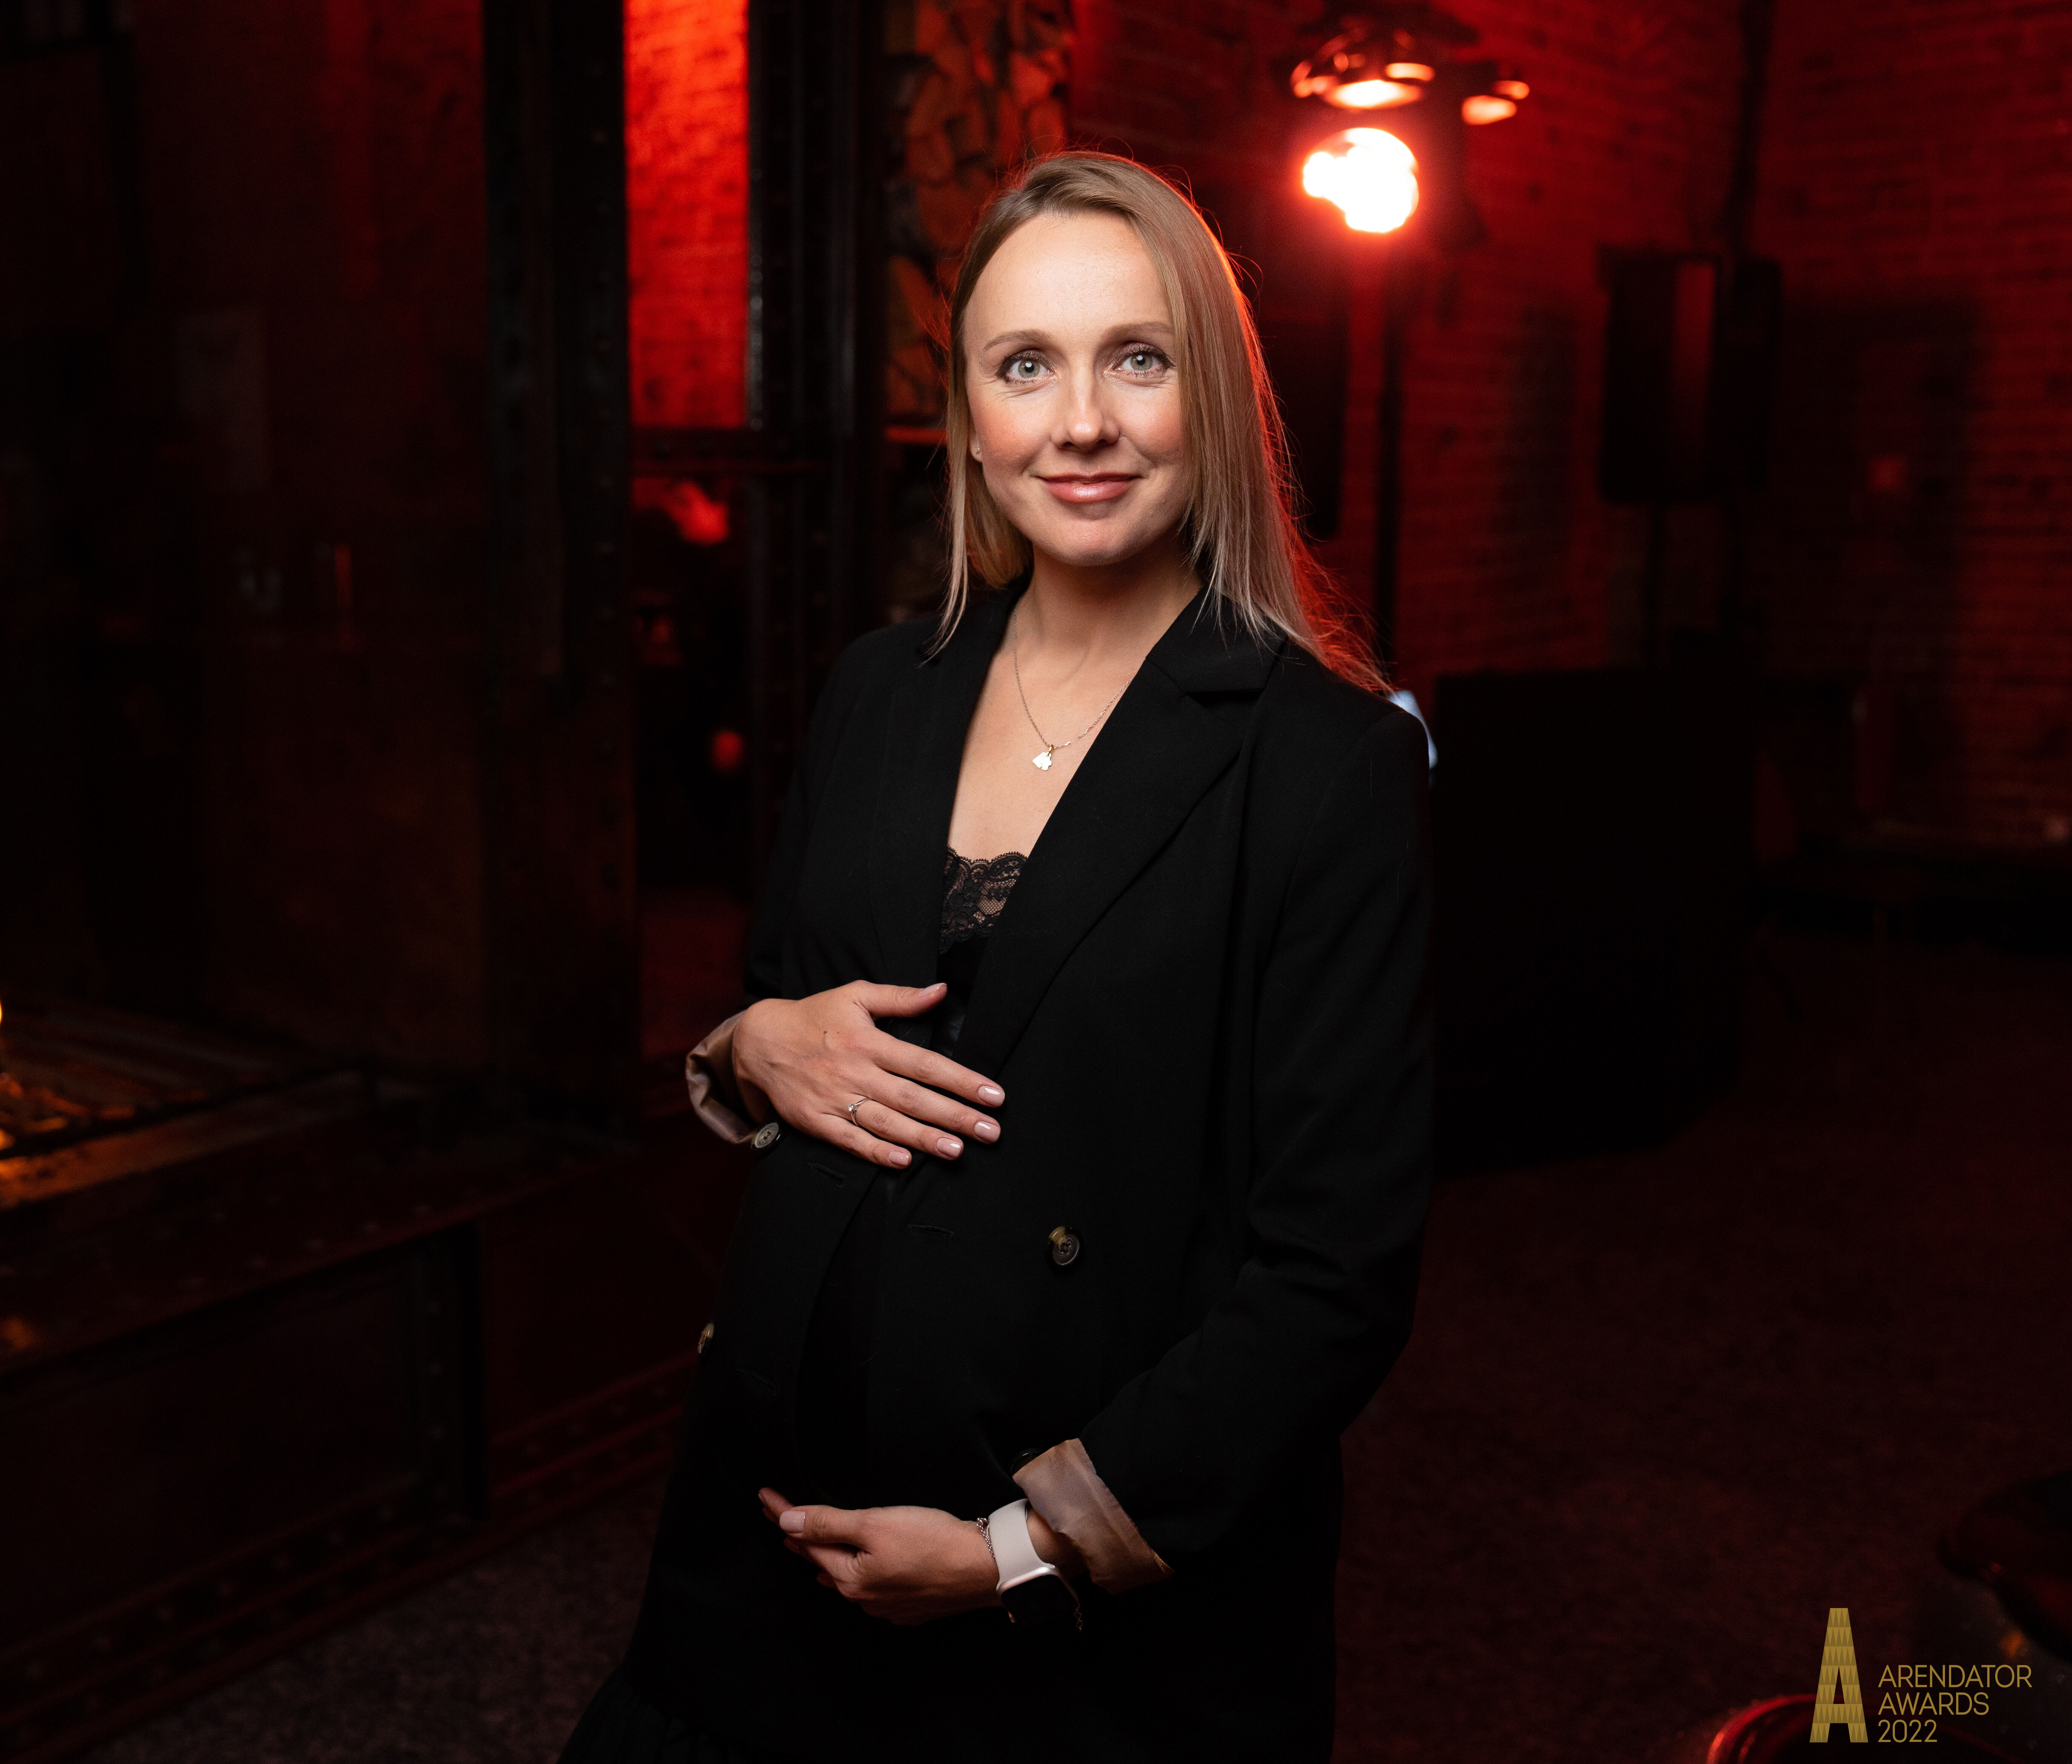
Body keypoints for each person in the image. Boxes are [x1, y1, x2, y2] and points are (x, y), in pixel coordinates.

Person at [561, 150, 1432, 1763]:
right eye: (1025, 366)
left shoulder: (1326, 763)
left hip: (1090, 1632)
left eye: (1136, 358)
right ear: (968, 416)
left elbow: (1337, 1272)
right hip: (769, 1542)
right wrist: (750, 1046)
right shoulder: (877, 689)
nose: (1079, 422)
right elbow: (778, 1001)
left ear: (1216, 396)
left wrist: (1020, 1552)